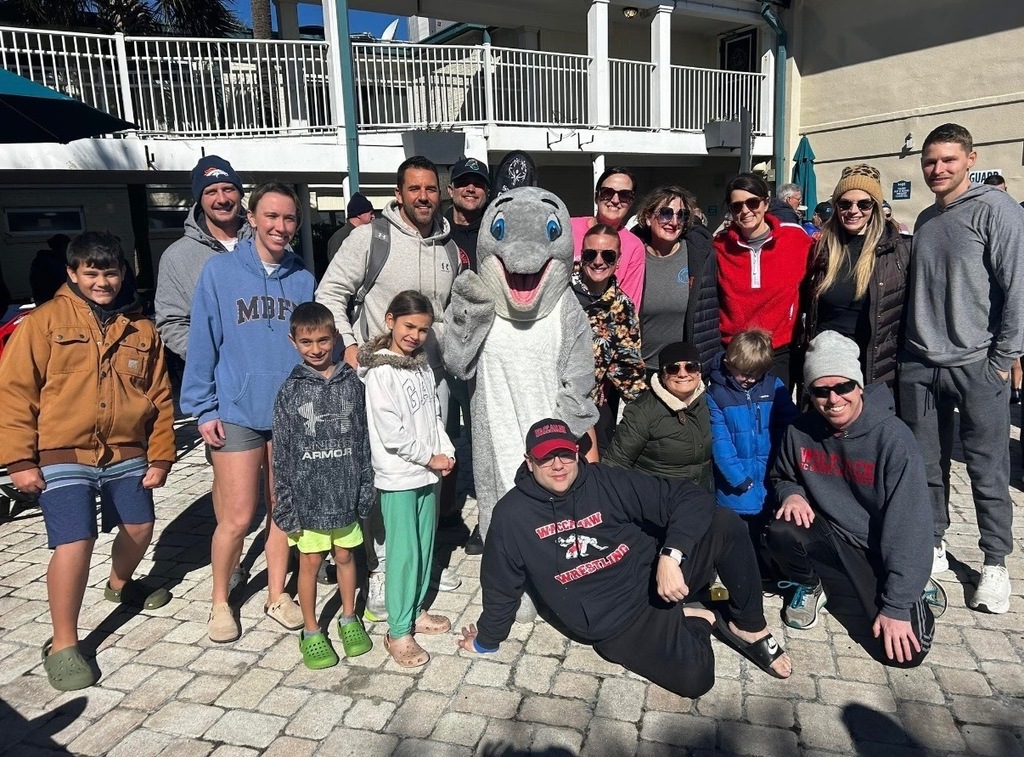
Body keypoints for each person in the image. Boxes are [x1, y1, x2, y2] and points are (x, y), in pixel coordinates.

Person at [456, 417, 793, 697]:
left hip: (653, 576)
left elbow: (689, 497)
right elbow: (501, 586)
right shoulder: (510, 516)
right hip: (617, 621)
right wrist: (487, 640)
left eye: (564, 454)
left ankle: (749, 626)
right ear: (529, 462)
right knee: (697, 681)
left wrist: (671, 556)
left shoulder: (603, 479)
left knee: (725, 522)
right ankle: (697, 617)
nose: (557, 465)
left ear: (577, 453)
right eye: (545, 458)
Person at [0, 231, 175, 691]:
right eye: (91, 273)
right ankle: (63, 643)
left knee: (139, 529)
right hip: (63, 454)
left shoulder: (142, 329)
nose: (103, 281)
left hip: (126, 453)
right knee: (75, 542)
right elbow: (15, 393)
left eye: (110, 272)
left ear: (122, 273)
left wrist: (161, 454)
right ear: (73, 274)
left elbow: (158, 397)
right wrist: (19, 459)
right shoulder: (42, 323)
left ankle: (120, 583)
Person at [316, 155, 464, 621]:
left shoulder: (447, 246)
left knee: (430, 470)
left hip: (430, 376)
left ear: (440, 193)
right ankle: (381, 569)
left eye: (430, 188)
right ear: (399, 194)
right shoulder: (370, 238)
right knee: (389, 474)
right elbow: (329, 294)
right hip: (381, 377)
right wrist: (351, 347)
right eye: (414, 189)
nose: (423, 196)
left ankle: (419, 560)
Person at [898, 123, 1024, 613]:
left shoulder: (997, 210)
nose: (938, 169)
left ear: (971, 159)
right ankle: (933, 544)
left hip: (977, 364)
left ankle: (994, 563)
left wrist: (1002, 360)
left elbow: (1017, 289)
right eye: (930, 161)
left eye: (948, 160)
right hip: (920, 364)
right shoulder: (927, 218)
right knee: (928, 466)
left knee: (988, 468)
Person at [182, 182, 316, 642]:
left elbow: (312, 348)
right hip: (236, 410)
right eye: (272, 217)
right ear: (252, 218)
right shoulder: (219, 273)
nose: (281, 226)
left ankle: (277, 593)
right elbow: (203, 344)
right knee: (238, 516)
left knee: (283, 509)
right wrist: (202, 408)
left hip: (289, 414)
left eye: (290, 218)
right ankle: (220, 600)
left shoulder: (302, 279)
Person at [768, 331, 938, 667]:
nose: (833, 399)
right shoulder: (799, 431)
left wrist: (897, 605)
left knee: (907, 654)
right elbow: (782, 475)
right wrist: (792, 493)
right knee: (780, 528)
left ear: (859, 385)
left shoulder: (893, 440)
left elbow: (910, 527)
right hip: (830, 535)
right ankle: (811, 584)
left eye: (843, 387)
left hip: (879, 547)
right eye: (821, 390)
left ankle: (912, 583)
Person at [271, 302, 374, 669]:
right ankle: (312, 630)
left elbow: (363, 440)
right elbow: (281, 453)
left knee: (346, 557)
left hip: (345, 494)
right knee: (311, 562)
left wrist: (366, 486)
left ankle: (349, 616)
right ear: (293, 341)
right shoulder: (290, 392)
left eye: (323, 340)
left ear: (334, 338)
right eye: (306, 341)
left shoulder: (352, 385)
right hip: (308, 500)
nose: (316, 349)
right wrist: (285, 502)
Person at [360, 290, 456, 668]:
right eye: (409, 326)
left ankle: (415, 611)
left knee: (425, 546)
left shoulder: (419, 366)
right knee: (403, 554)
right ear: (390, 320)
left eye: (423, 329)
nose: (415, 335)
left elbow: (433, 416)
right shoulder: (381, 372)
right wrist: (428, 456)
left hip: (428, 473)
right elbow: (391, 432)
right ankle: (397, 631)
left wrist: (445, 451)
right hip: (400, 475)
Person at [802, 165, 911, 389]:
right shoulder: (822, 248)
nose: (854, 210)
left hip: (875, 358)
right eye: (845, 203)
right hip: (828, 358)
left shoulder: (898, 249)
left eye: (863, 204)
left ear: (875, 207)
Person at [706, 329, 797, 578]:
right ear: (729, 362)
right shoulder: (717, 394)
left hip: (769, 475)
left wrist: (784, 466)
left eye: (756, 374)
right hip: (736, 484)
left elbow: (790, 424)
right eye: (744, 373)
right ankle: (740, 575)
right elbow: (720, 442)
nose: (749, 379)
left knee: (767, 531)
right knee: (740, 536)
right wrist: (738, 479)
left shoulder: (773, 386)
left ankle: (768, 573)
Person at [713, 172, 814, 387]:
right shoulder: (719, 246)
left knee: (776, 417)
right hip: (734, 351)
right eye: (737, 206)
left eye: (752, 202)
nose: (746, 211)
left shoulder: (795, 239)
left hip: (779, 350)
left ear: (766, 203)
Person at [155, 155, 250, 361]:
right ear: (199, 199)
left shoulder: (268, 242)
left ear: (240, 193)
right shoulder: (177, 256)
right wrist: (210, 359)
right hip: (217, 377)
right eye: (211, 192)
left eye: (228, 189)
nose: (222, 199)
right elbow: (172, 322)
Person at [441, 156, 489, 545]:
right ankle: (446, 513)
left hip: (483, 354)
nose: (470, 189)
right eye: (463, 183)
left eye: (478, 183)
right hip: (440, 353)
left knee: (480, 438)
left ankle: (486, 519)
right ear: (451, 189)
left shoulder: (495, 233)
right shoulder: (437, 233)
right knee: (440, 435)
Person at [571, 224, 645, 454]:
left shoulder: (622, 306)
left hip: (589, 405)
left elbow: (627, 364)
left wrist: (650, 411)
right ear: (581, 256)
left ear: (619, 260)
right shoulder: (561, 292)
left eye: (608, 255)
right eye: (590, 254)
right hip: (550, 398)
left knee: (593, 473)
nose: (598, 261)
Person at [632, 186, 719, 372]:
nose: (674, 221)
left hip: (684, 372)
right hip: (639, 370)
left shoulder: (700, 256)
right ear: (648, 217)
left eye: (682, 215)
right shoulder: (632, 255)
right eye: (665, 213)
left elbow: (710, 314)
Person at [605, 342, 712, 489]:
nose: (682, 374)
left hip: (700, 500)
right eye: (673, 368)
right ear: (663, 375)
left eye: (691, 367)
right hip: (657, 502)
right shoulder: (643, 411)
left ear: (699, 372)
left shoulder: (710, 403)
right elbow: (615, 464)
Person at [571, 167, 646, 309]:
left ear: (631, 201)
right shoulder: (568, 228)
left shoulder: (634, 246)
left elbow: (629, 306)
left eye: (624, 195)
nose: (615, 200)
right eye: (607, 193)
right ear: (596, 196)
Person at [326, 192, 375, 263]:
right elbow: (336, 268)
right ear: (359, 214)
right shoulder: (340, 238)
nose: (373, 216)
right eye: (371, 213)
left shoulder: (366, 234)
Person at [29, 234, 70, 305]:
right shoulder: (49, 262)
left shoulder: (44, 259)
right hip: (49, 300)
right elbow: (64, 280)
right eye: (67, 248)